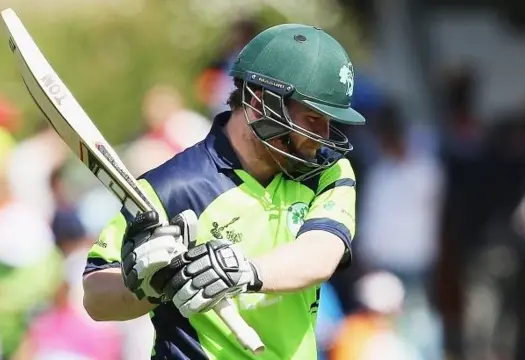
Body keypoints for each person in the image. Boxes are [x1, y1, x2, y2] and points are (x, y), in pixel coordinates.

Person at [83, 23, 365, 359]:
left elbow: (320, 254)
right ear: (261, 104)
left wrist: (244, 270)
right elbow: (95, 297)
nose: (322, 135)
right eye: (313, 118)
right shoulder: (171, 187)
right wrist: (148, 285)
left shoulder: (327, 172)